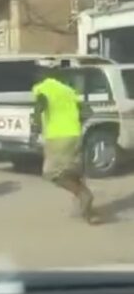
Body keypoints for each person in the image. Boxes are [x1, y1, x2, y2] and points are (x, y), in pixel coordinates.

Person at [31, 59, 100, 224]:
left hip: (57, 136)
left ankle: (84, 195)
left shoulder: (43, 88)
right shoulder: (68, 90)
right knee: (70, 171)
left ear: (43, 73)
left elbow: (39, 108)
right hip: (74, 134)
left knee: (52, 174)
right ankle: (85, 208)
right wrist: (75, 124)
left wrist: (35, 128)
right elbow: (88, 112)